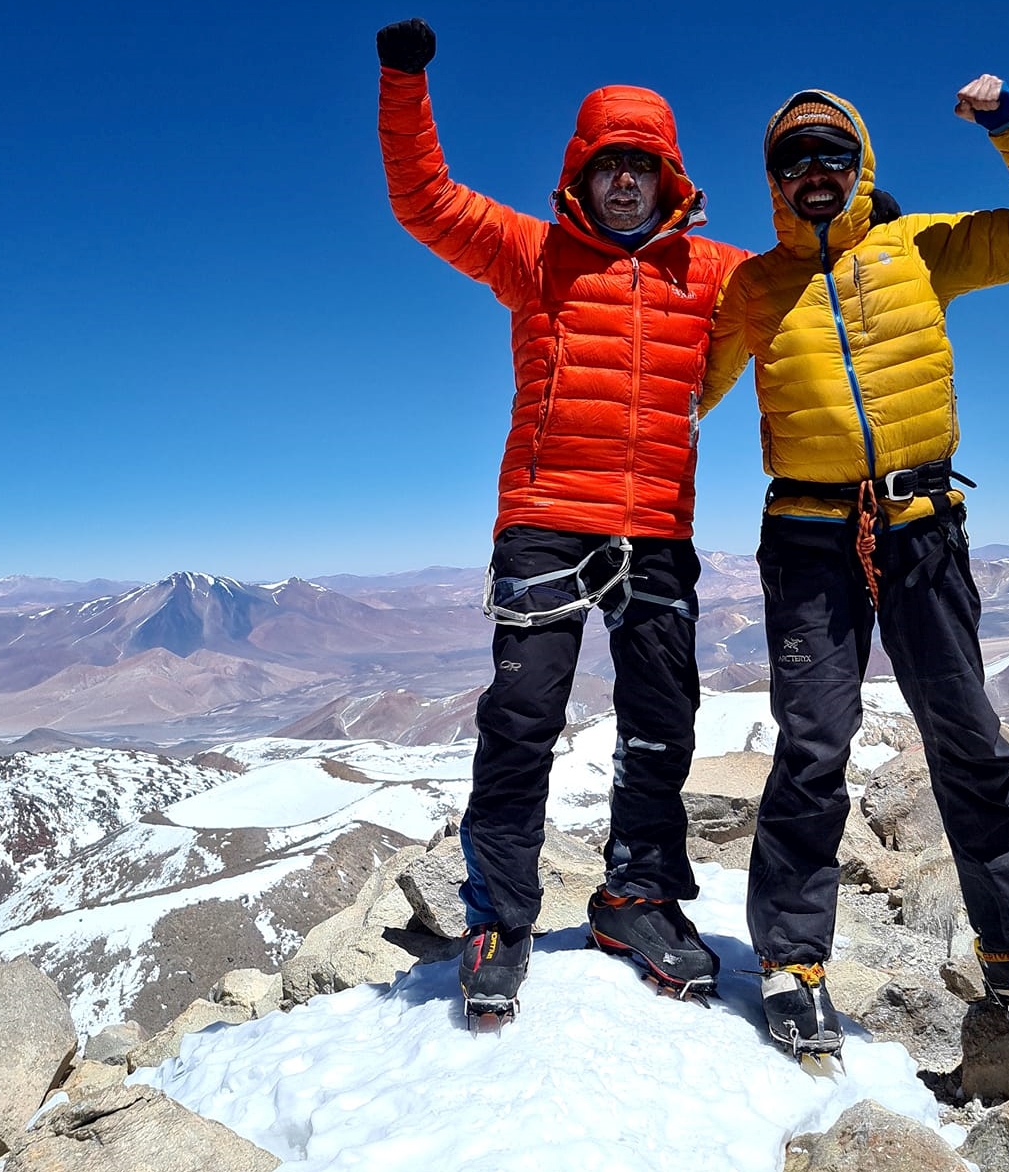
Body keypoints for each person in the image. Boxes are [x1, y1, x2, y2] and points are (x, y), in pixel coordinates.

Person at [699, 76, 1009, 1059]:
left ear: (862, 163)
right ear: (772, 179)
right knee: (812, 744)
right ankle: (793, 961)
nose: (814, 171)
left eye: (831, 153)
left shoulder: (921, 247)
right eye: (793, 157)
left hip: (921, 527)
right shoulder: (751, 288)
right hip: (806, 541)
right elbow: (679, 391)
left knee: (967, 734)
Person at [376, 18, 749, 1022]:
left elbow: (807, 293)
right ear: (578, 175)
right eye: (608, 165)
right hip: (544, 520)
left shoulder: (713, 274)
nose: (624, 182)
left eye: (643, 166)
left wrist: (861, 227)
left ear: (669, 178)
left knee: (664, 721)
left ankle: (636, 897)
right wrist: (404, 81)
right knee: (523, 719)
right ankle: (500, 913)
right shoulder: (531, 255)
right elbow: (425, 199)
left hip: (658, 530)